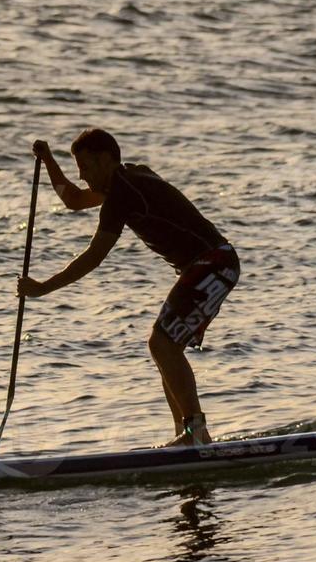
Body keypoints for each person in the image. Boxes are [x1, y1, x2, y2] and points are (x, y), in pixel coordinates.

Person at [16, 129, 240, 447]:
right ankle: (187, 437)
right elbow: (75, 199)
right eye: (79, 170)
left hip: (215, 263)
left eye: (87, 168)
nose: (83, 177)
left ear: (106, 160)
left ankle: (195, 435)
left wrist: (43, 287)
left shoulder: (124, 191)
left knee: (162, 344)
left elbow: (94, 257)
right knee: (165, 347)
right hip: (208, 266)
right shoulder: (126, 180)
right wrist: (50, 161)